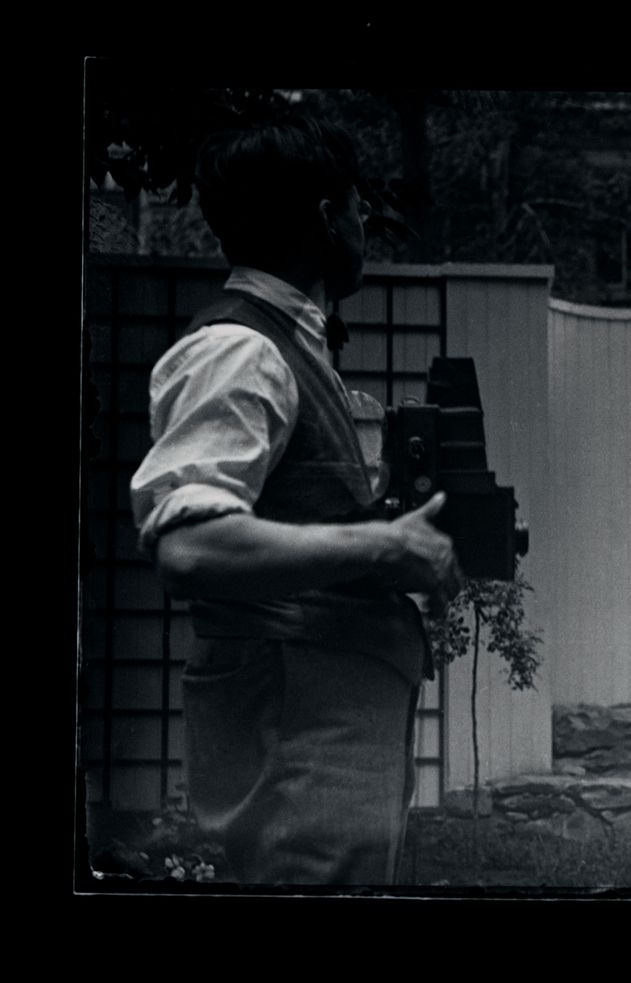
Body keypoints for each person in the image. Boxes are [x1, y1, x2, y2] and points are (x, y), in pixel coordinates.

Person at [127, 115, 462, 886]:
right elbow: (189, 549)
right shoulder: (241, 349)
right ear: (324, 217)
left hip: (322, 718)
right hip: (298, 729)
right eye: (356, 208)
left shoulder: (290, 345)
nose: (364, 227)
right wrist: (383, 547)